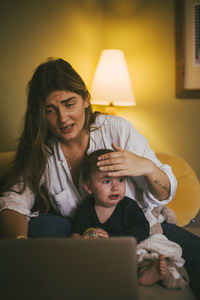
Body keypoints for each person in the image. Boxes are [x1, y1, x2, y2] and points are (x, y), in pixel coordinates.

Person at [0, 58, 199, 296]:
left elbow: (165, 193)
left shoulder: (118, 130)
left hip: (140, 228)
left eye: (69, 103)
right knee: (43, 224)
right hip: (82, 236)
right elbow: (14, 202)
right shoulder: (41, 151)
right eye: (50, 110)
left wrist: (144, 166)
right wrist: (22, 248)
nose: (63, 118)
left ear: (85, 99)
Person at [71, 149, 189, 288]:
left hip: (124, 250)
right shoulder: (85, 208)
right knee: (81, 260)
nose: (116, 187)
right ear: (88, 186)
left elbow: (141, 230)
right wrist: (80, 240)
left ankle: (145, 274)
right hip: (99, 255)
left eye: (121, 179)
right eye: (107, 181)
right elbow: (76, 232)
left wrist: (111, 239)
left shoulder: (128, 206)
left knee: (139, 258)